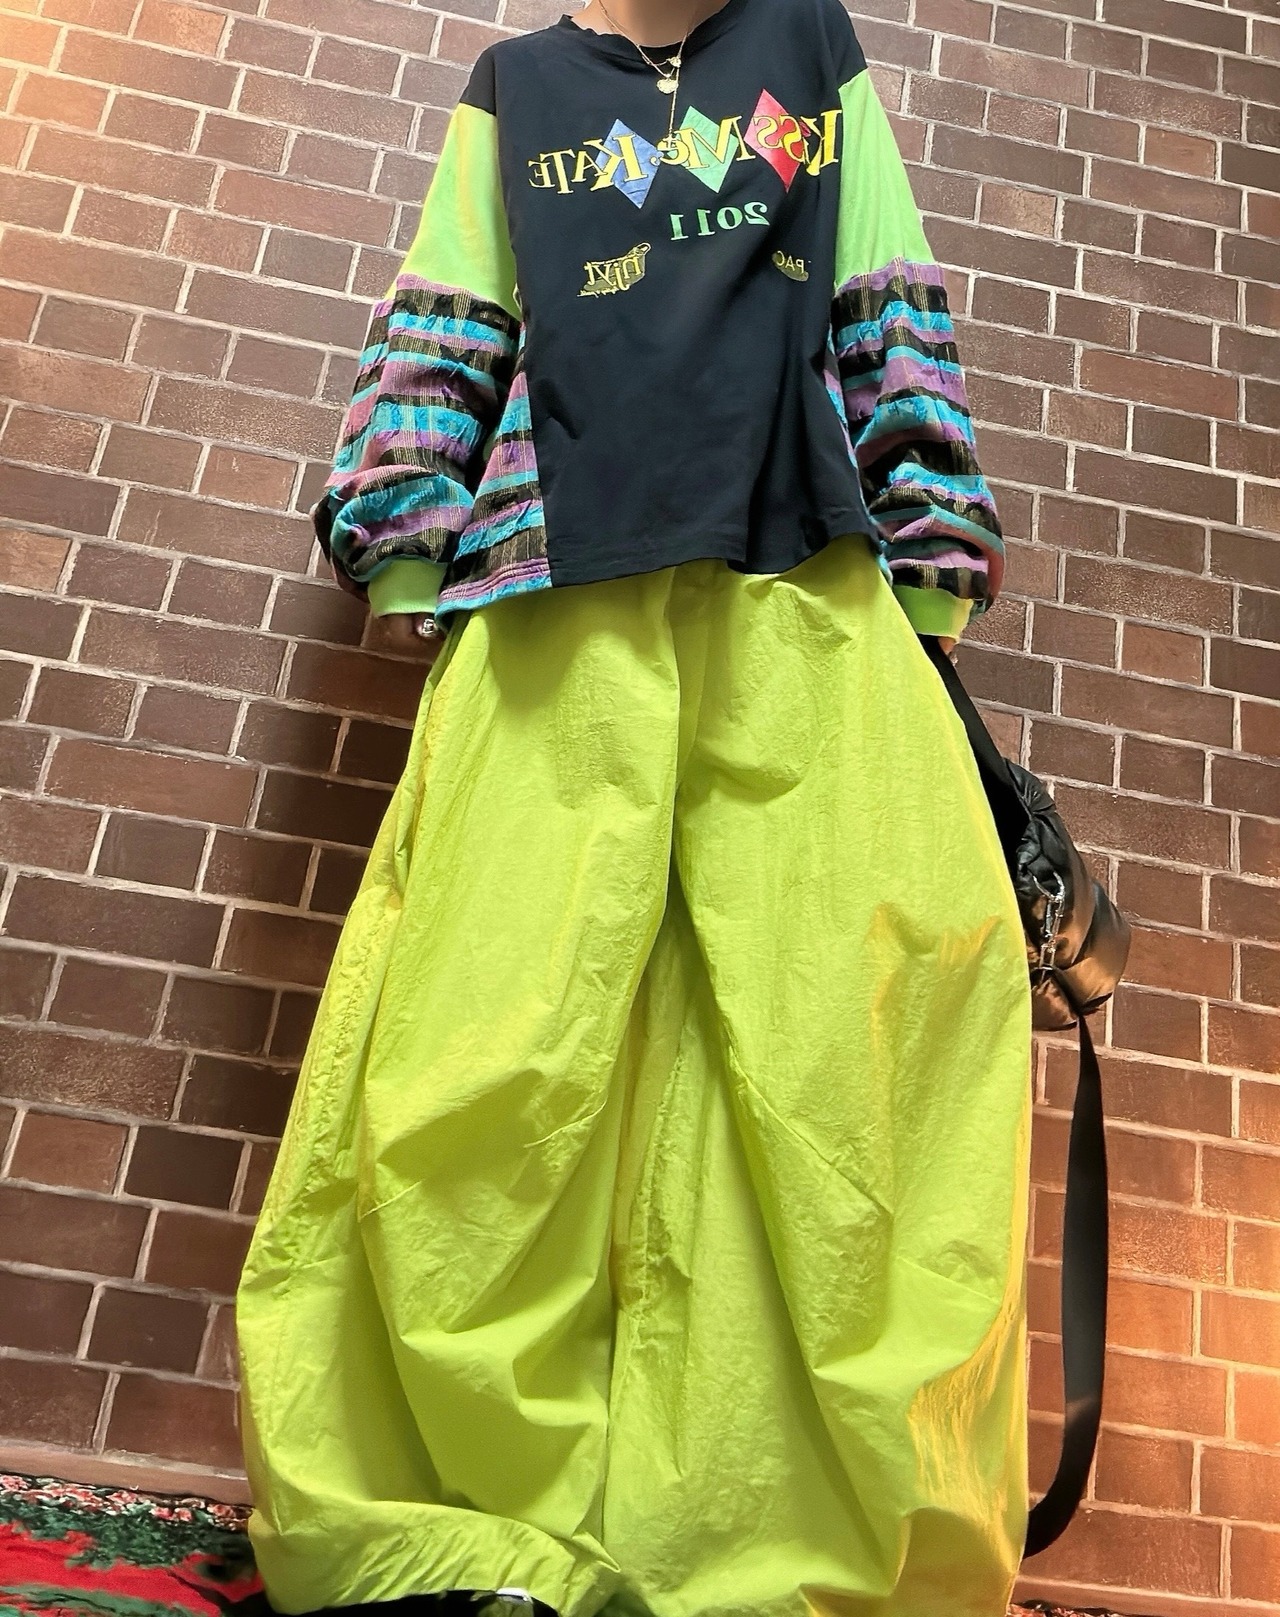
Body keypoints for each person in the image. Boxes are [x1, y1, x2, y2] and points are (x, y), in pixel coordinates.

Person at [234, 1, 1033, 1616]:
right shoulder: (519, 85)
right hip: (554, 595)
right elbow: (453, 302)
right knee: (491, 1035)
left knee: (831, 1050)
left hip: (799, 591)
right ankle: (470, 1519)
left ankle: (773, 1534)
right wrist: (406, 544)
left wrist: (930, 558)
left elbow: (885, 291)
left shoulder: (810, 44)